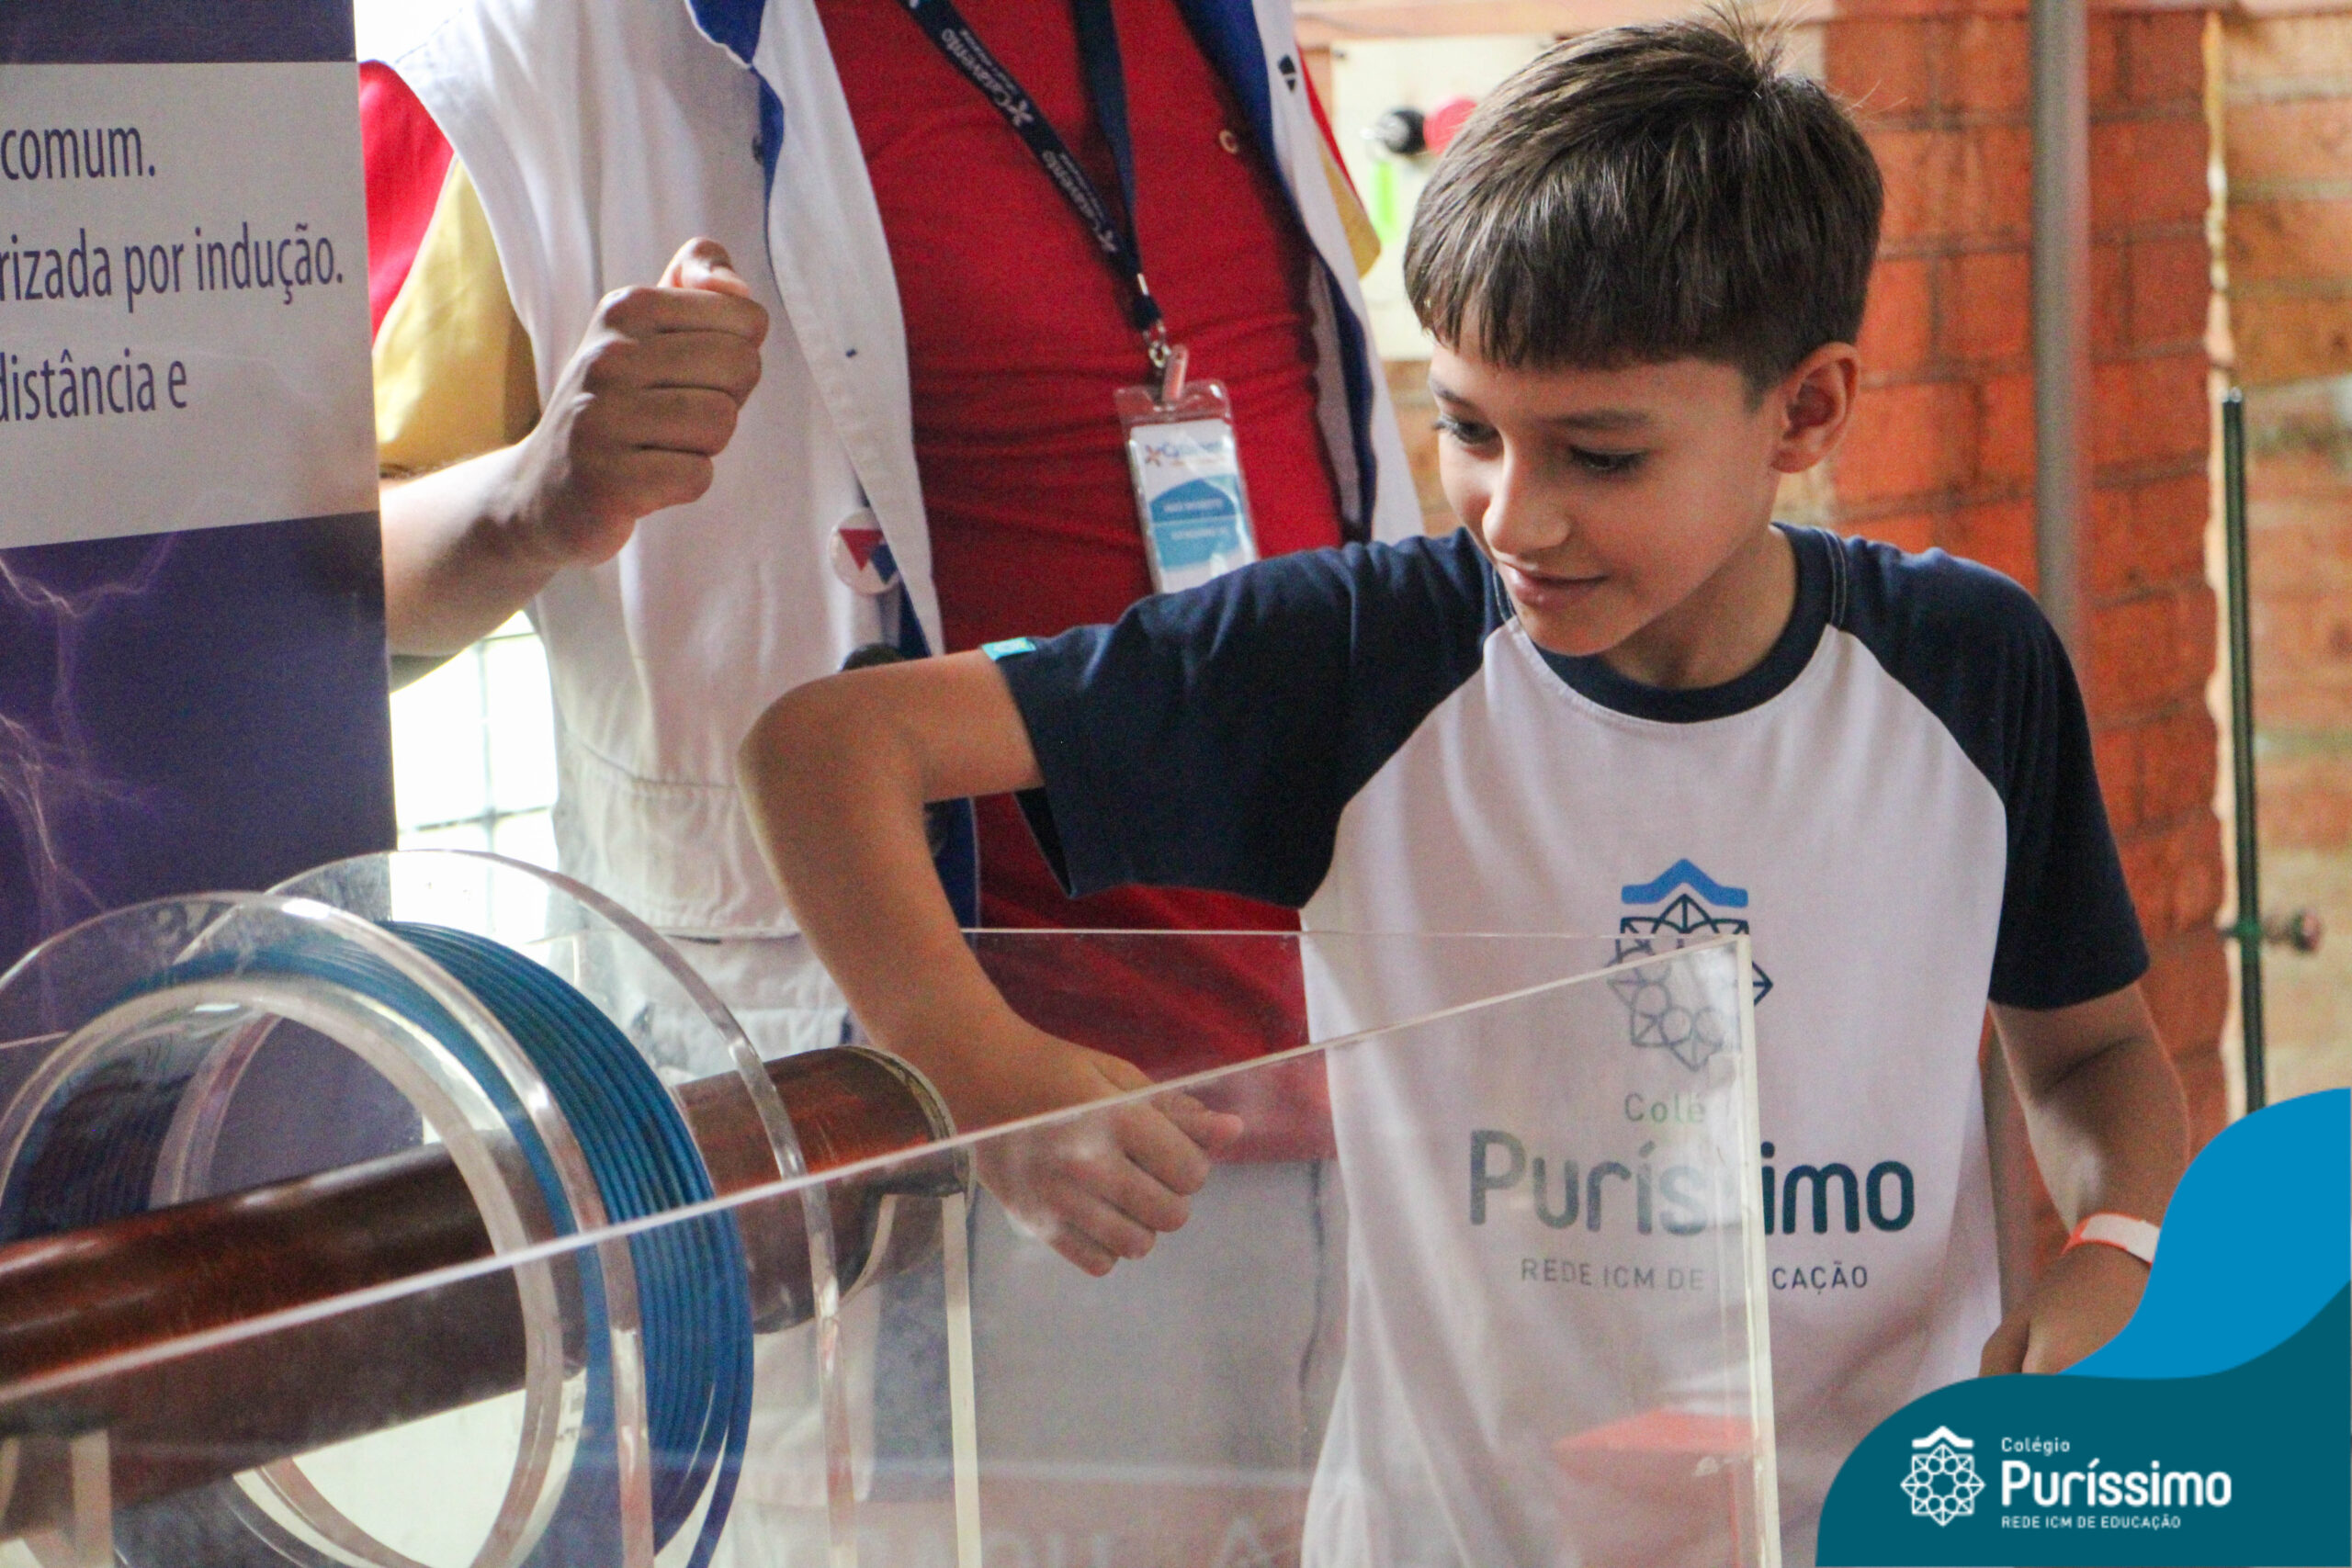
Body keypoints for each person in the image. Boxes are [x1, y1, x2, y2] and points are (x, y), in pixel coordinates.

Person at [734, 16, 2194, 1562]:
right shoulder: (1359, 658)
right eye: (1470, 429)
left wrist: (2118, 1251)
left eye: (1601, 456)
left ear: (1806, 411)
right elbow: (827, 752)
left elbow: (2096, 1055)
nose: (1514, 516)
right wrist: (981, 1069)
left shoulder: (1969, 668)